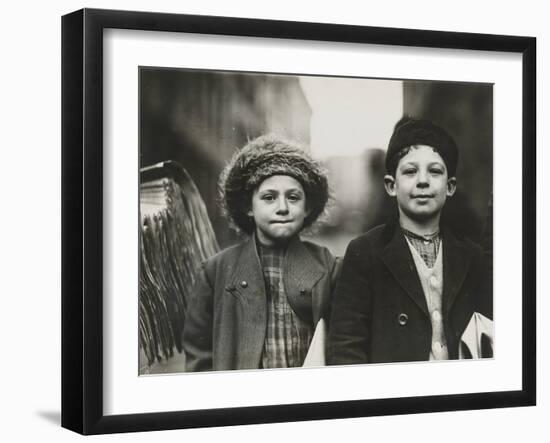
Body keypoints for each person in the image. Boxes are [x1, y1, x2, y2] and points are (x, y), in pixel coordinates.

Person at [327, 116, 493, 364]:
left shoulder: (471, 256)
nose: (423, 180)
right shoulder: (365, 252)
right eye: (410, 171)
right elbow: (346, 345)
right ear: (391, 185)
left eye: (435, 171)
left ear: (450, 186)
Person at [182, 134, 340, 371]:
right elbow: (199, 355)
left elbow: (343, 344)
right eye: (269, 198)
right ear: (248, 207)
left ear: (307, 207)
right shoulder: (215, 272)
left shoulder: (329, 266)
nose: (283, 208)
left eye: (293, 197)